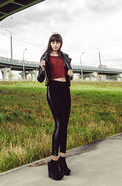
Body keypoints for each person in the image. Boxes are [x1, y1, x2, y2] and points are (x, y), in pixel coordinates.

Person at [37, 33, 73, 180]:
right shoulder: (45, 57)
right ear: (50, 43)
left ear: (61, 43)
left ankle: (63, 159)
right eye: (53, 42)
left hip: (65, 89)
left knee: (65, 124)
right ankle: (53, 162)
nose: (55, 44)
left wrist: (71, 74)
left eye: (57, 42)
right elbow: (40, 79)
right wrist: (42, 68)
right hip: (53, 89)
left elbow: (68, 74)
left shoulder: (65, 57)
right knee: (59, 123)